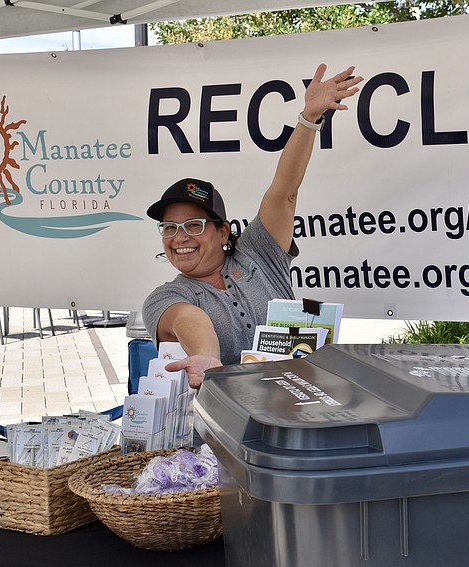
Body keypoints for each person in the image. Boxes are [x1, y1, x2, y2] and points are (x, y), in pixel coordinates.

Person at [142, 64, 362, 389]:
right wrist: (205, 356)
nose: (179, 237)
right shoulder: (167, 296)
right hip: (230, 427)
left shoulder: (258, 255)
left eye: (193, 224)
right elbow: (190, 319)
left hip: (298, 408)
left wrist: (308, 119)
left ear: (222, 231)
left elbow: (284, 191)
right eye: (169, 228)